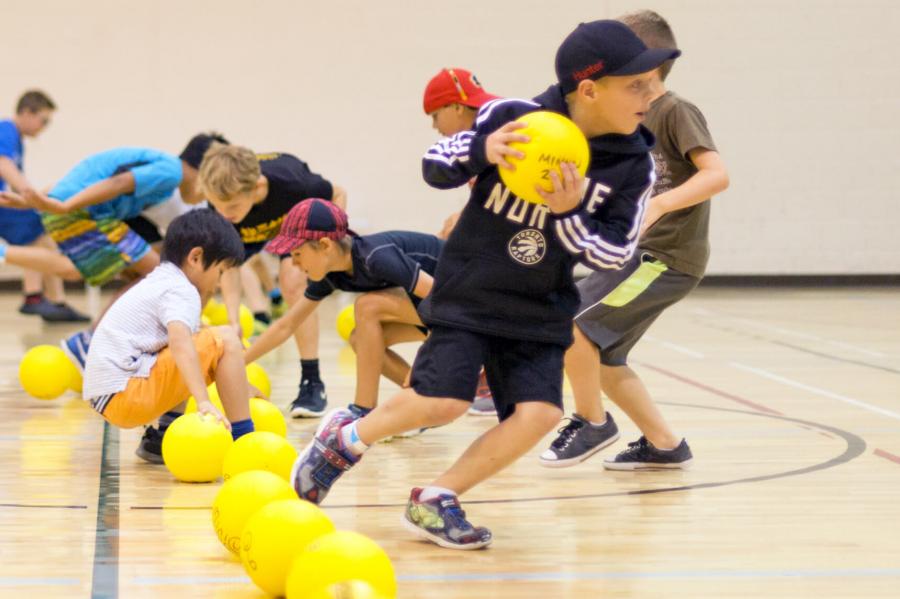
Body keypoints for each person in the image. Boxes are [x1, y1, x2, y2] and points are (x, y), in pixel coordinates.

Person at [290, 20, 679, 549]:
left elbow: (613, 252)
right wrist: (483, 149)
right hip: (471, 289)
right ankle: (345, 440)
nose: (653, 94)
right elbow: (435, 164)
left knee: (540, 413)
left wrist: (568, 212)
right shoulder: (513, 117)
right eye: (637, 85)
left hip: (541, 304)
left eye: (654, 83)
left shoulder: (634, 165)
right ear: (589, 89)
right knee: (443, 401)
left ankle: (436, 498)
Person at [539, 10, 730, 471]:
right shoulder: (619, 120)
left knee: (571, 325)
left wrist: (660, 206)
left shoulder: (674, 111)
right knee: (603, 356)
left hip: (663, 256)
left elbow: (717, 175)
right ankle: (665, 445)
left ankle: (592, 422)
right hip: (636, 254)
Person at [0, 133, 222, 375]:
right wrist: (63, 205)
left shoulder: (166, 172)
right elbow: (118, 183)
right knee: (160, 273)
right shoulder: (171, 171)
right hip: (84, 210)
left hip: (73, 205)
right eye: (210, 186)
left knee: (80, 270)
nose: (205, 196)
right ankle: (91, 342)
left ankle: (96, 341)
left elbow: (85, 177)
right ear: (202, 171)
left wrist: (35, 202)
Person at [245, 198, 442, 422]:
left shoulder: (375, 256)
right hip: (435, 311)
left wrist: (426, 357)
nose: (295, 264)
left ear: (325, 245)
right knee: (360, 339)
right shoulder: (331, 275)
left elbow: (441, 299)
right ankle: (427, 399)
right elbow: (286, 325)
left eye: (297, 255)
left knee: (367, 306)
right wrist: (238, 364)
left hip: (462, 300)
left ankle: (363, 410)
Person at [198, 144, 347, 418]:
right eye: (218, 207)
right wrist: (233, 320)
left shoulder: (296, 185)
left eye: (232, 206)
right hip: (251, 235)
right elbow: (230, 265)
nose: (224, 213)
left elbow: (338, 192)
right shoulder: (222, 202)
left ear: (256, 187)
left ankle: (312, 381)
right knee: (207, 270)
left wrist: (332, 248)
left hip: (292, 228)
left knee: (293, 282)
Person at [82, 208, 254, 442]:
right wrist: (203, 401)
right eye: (220, 271)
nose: (218, 283)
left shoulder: (162, 280)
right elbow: (181, 344)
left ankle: (162, 437)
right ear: (195, 258)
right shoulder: (180, 289)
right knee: (225, 339)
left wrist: (241, 385)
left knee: (199, 341)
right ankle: (244, 438)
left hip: (112, 395)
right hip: (126, 392)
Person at [422, 67, 499, 415]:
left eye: (435, 115)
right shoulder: (480, 136)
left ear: (456, 107)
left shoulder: (495, 130)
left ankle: (489, 379)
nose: (434, 126)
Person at [0, 90, 88, 322]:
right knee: (39, 225)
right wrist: (30, 195)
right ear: (27, 112)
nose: (44, 128)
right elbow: (3, 164)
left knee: (42, 231)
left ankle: (54, 301)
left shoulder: (16, 138)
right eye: (44, 120)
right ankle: (35, 296)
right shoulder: (6, 129)